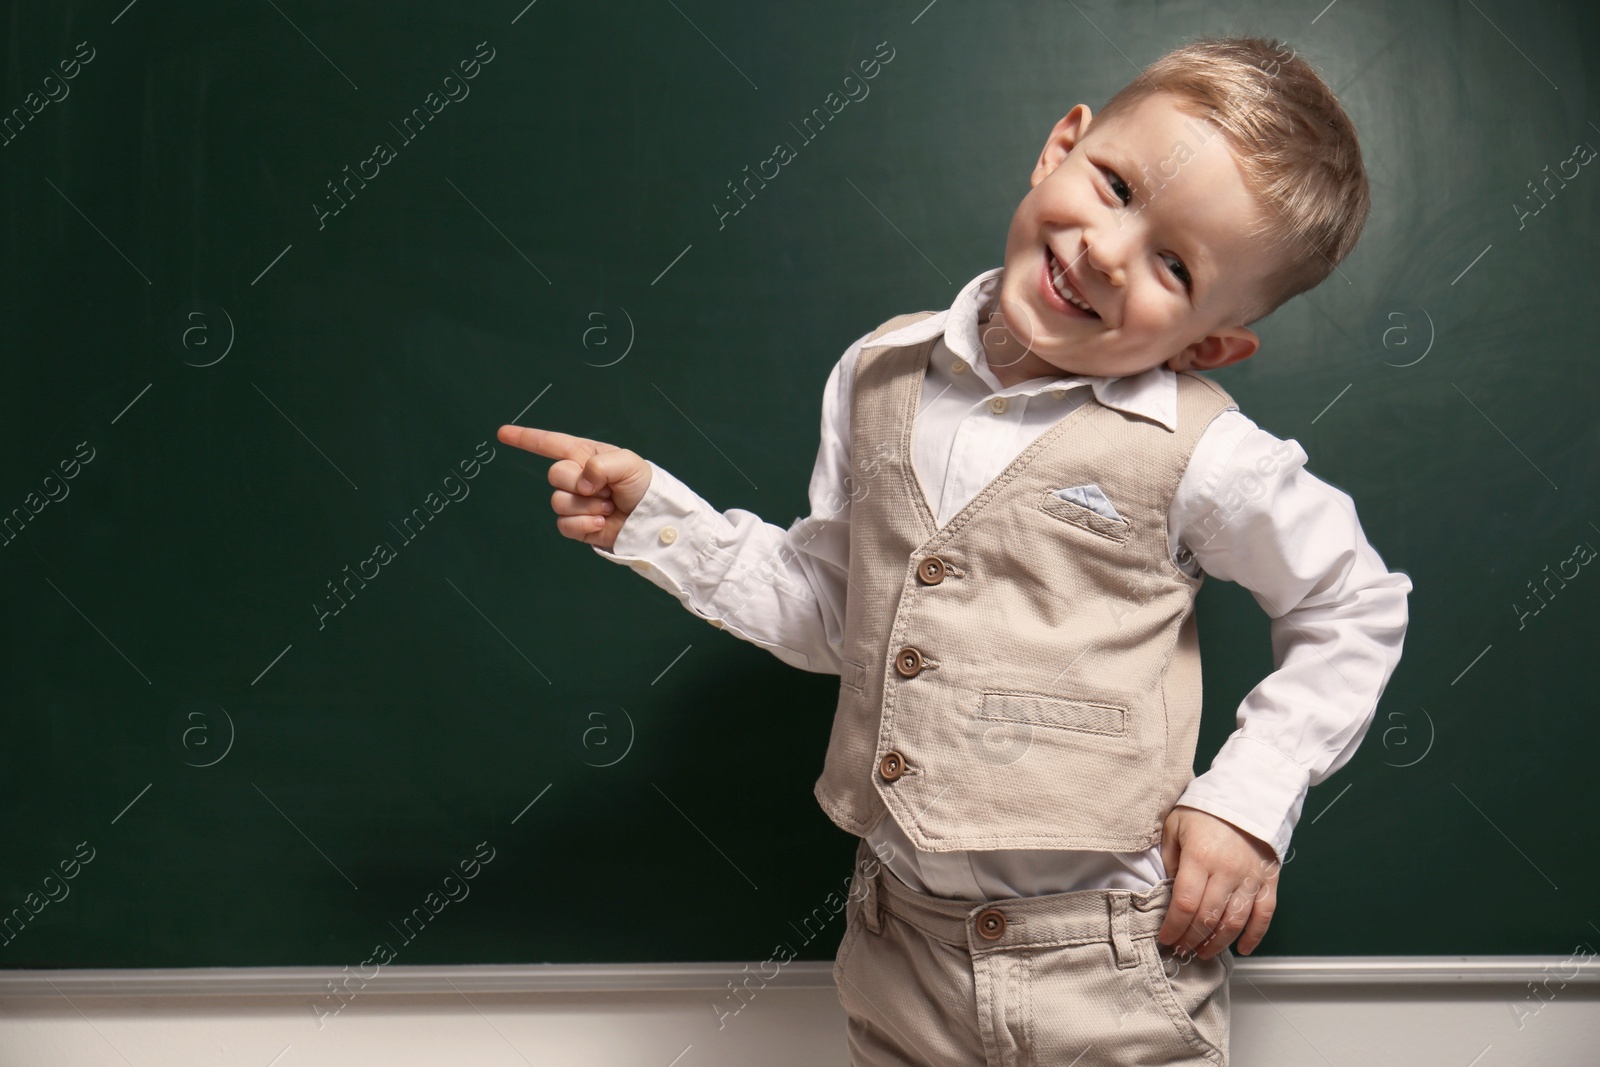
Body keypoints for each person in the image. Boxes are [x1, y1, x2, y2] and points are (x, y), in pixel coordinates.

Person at [499, 34, 1411, 1066]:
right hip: (899, 943)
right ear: (1061, 144)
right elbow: (845, 618)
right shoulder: (878, 372)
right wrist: (660, 524)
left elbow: (1354, 607)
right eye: (1114, 186)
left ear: (1205, 343)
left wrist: (1246, 801)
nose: (1109, 253)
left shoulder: (1205, 455)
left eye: (1174, 265)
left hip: (1104, 956)